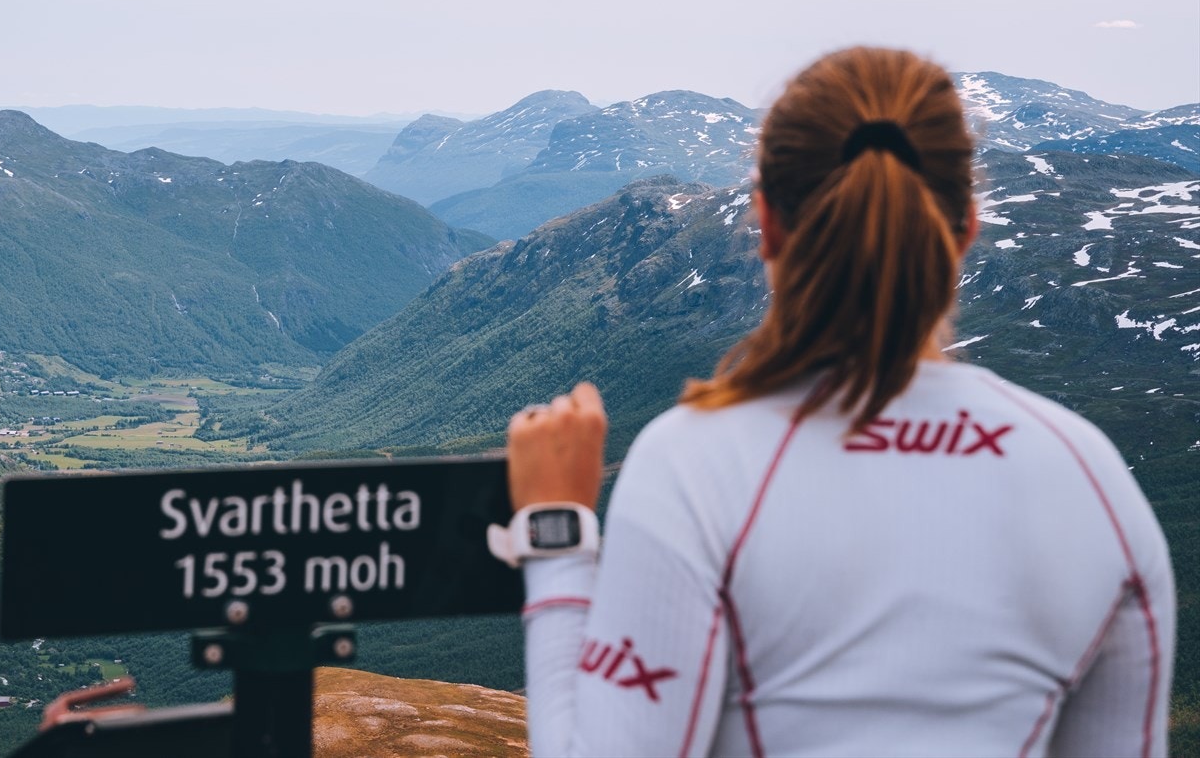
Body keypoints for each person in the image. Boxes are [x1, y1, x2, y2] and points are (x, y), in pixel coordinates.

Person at [503, 46, 1174, 757]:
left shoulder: (696, 463)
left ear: (766, 222)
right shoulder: (1090, 479)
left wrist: (557, 534)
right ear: (966, 230)